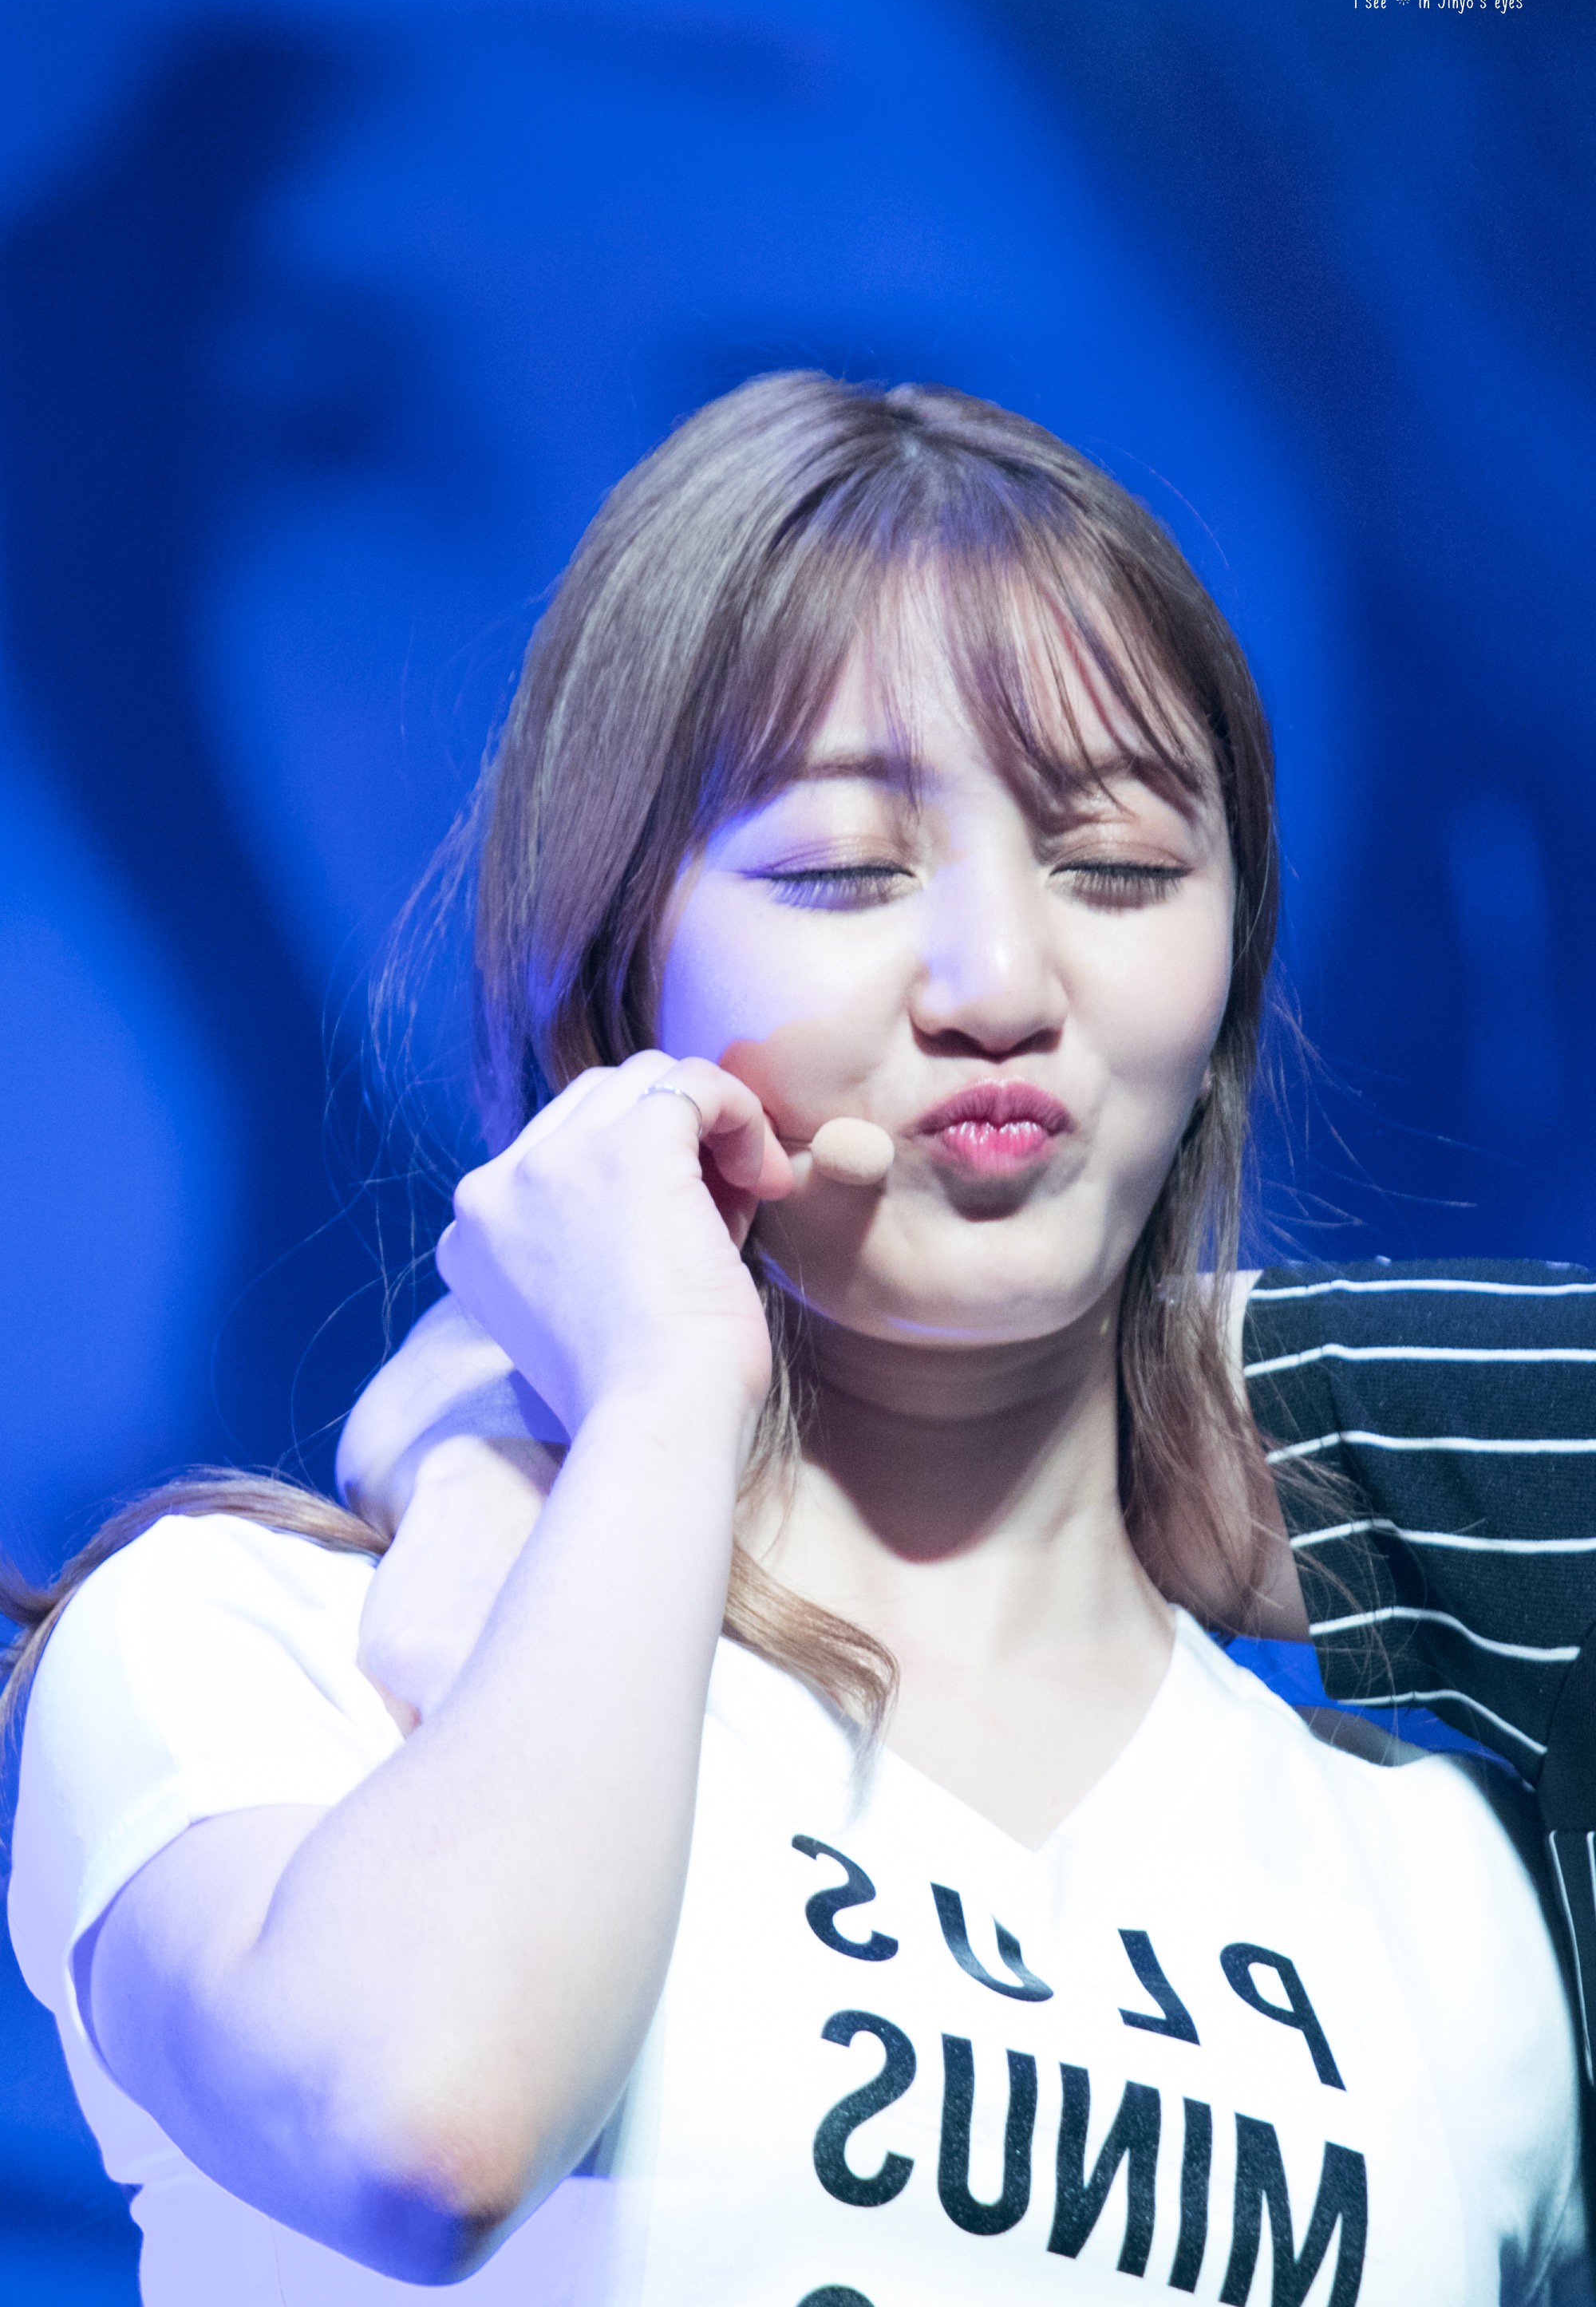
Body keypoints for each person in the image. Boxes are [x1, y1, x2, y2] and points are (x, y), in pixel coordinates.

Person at [3, 373, 1588, 2304]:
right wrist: (660, 1394)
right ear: (612, 961)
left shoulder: (1446, 1898)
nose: (998, 982)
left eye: (1117, 868)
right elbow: (420, 2124)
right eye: (841, 870)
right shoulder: (265, 1657)